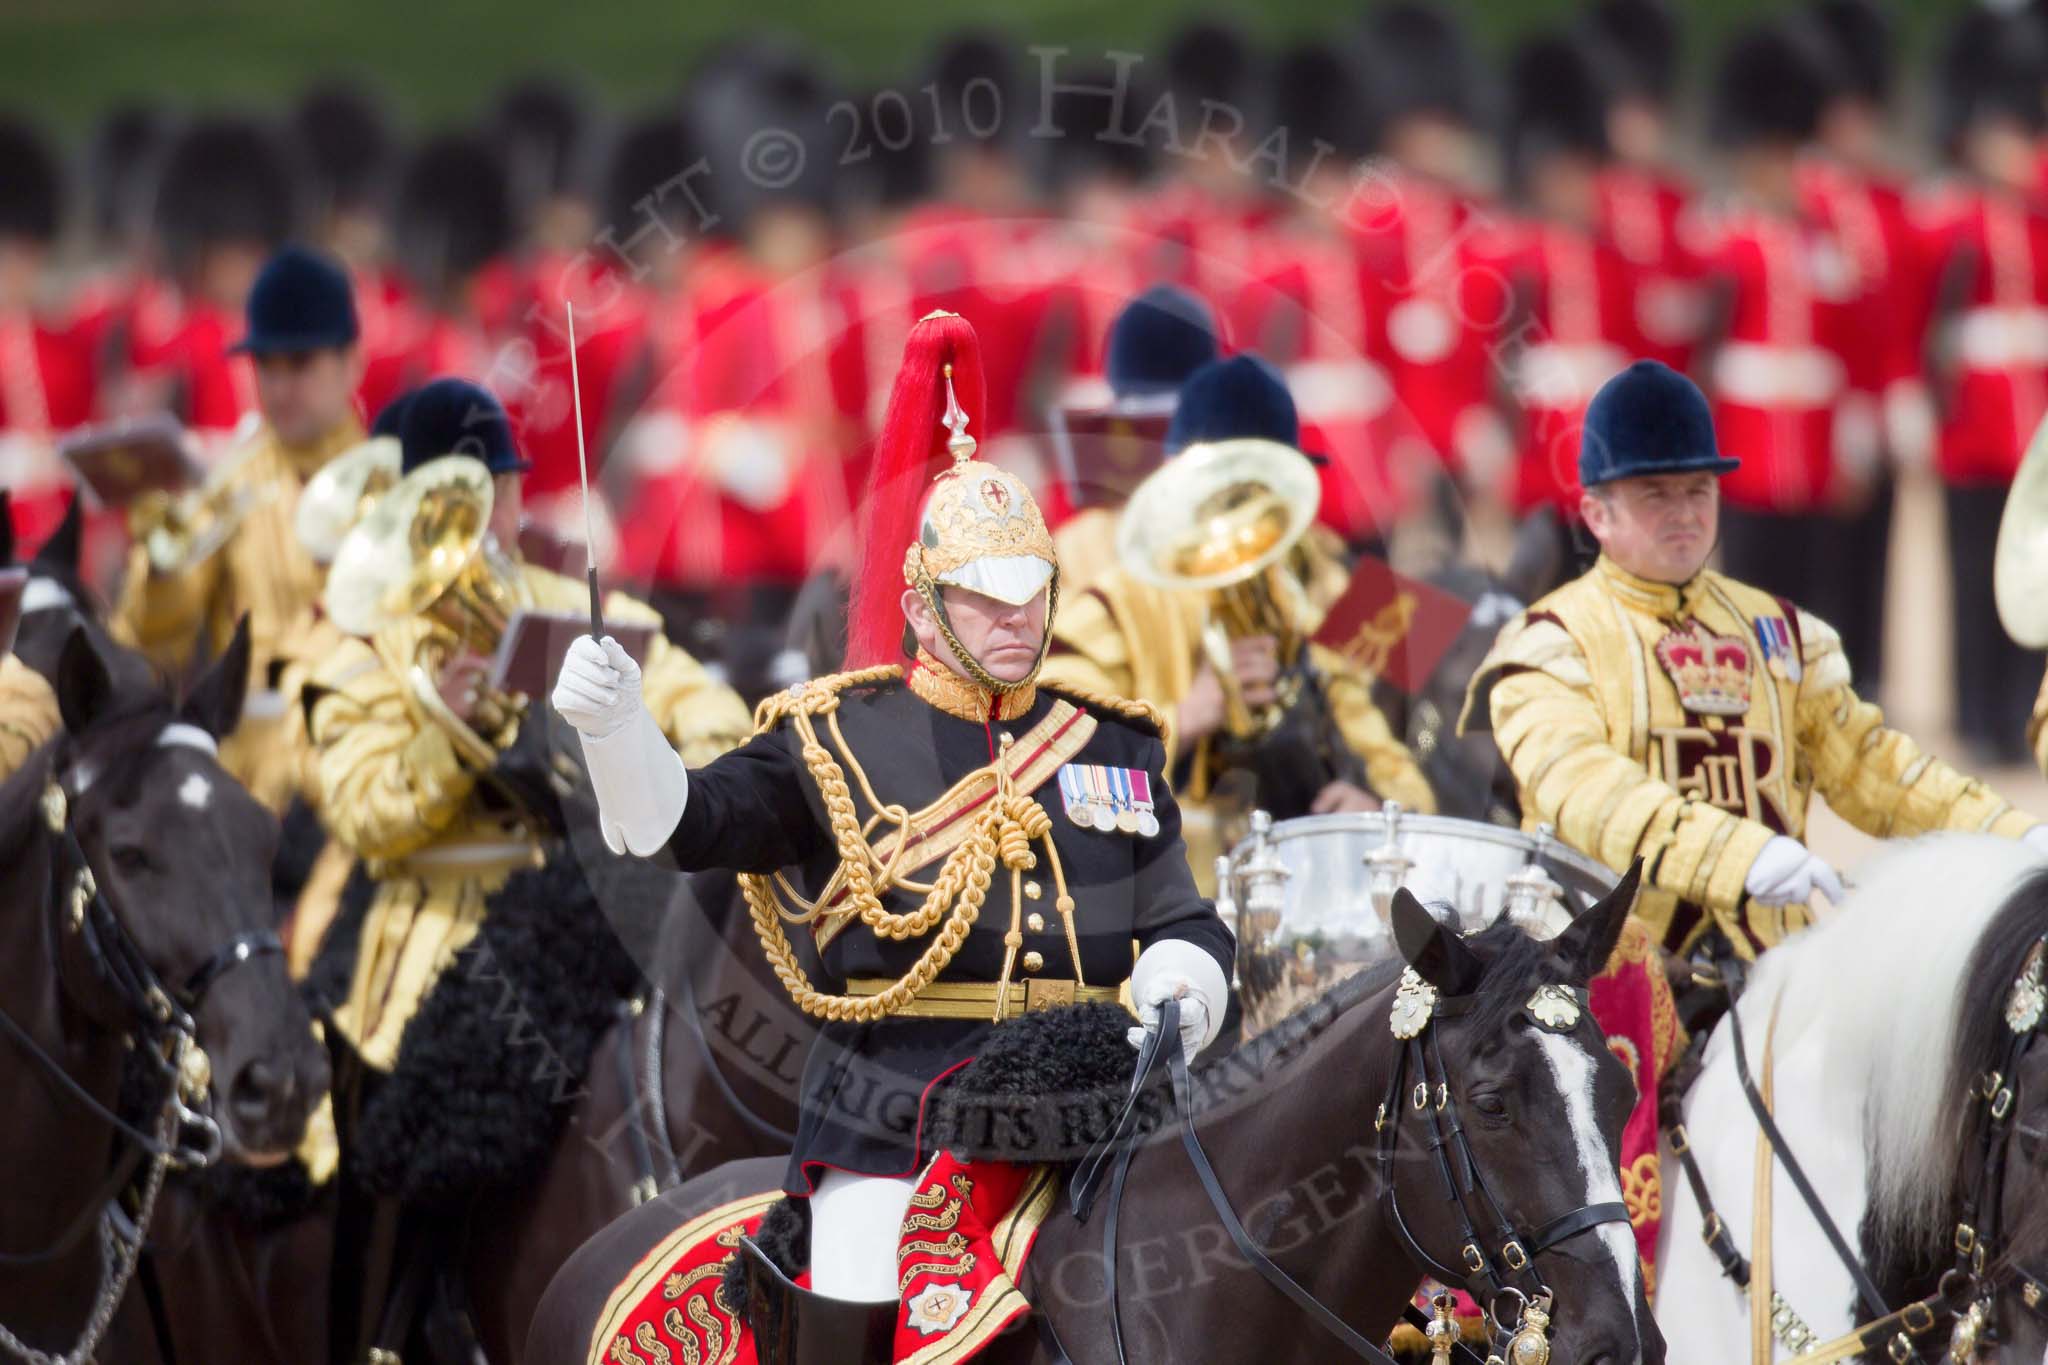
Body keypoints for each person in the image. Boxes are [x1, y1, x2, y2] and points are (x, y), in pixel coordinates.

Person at [552, 311, 1233, 1335]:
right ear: (921, 609)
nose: (1017, 622)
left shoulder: (1109, 746)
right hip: (899, 1119)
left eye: (1032, 596)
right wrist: (615, 727)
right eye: (985, 601)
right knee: (864, 1290)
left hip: (1095, 1100)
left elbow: (1181, 918)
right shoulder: (832, 738)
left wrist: (1180, 990)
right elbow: (681, 825)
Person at [305, 377, 751, 1360]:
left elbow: (697, 700)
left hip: (584, 912)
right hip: (428, 932)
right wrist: (452, 727)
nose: (490, 514)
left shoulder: (576, 610)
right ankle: (394, 1318)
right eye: (461, 492)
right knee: (391, 1126)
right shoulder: (364, 641)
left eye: (499, 486)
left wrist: (671, 766)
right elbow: (364, 812)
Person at [1462, 360, 2046, 962]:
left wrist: (2014, 832)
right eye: (1655, 494)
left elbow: (1875, 771)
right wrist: (1742, 856)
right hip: (1607, 972)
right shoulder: (1550, 641)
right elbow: (1584, 789)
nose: (1685, 513)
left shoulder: (1781, 631)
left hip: (1772, 964)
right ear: (1596, 514)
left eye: (1699, 490)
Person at [1041, 352, 1435, 879]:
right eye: (1229, 495)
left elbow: (1419, 747)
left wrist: (1383, 807)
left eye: (1264, 496)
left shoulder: (1331, 582)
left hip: (1305, 883)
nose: (1244, 526)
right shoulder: (1112, 600)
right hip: (1163, 894)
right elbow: (1047, 752)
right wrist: (1182, 715)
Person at [113, 242, 366, 811]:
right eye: (265, 367)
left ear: (352, 362)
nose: (279, 388)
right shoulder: (227, 484)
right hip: (248, 780)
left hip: (362, 762)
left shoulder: (393, 483)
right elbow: (151, 641)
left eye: (299, 365)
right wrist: (158, 570)